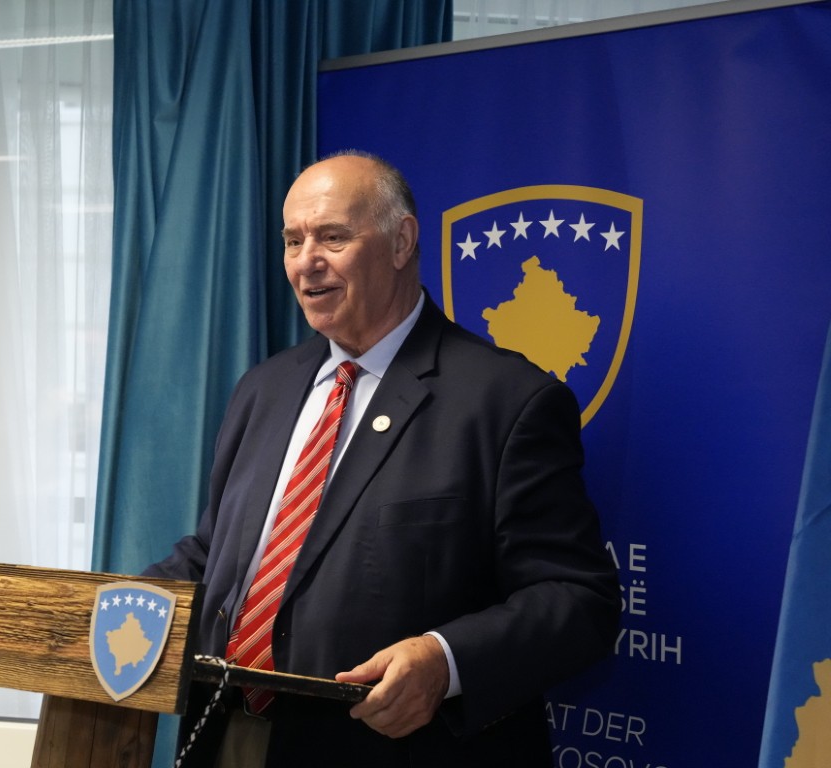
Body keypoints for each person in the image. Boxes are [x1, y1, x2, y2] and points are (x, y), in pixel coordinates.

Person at [144, 151, 620, 767]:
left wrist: (444, 660)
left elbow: (578, 600)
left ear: (401, 242)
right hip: (229, 735)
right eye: (292, 241)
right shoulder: (263, 388)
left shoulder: (508, 403)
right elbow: (219, 554)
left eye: (332, 237)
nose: (306, 261)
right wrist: (99, 607)